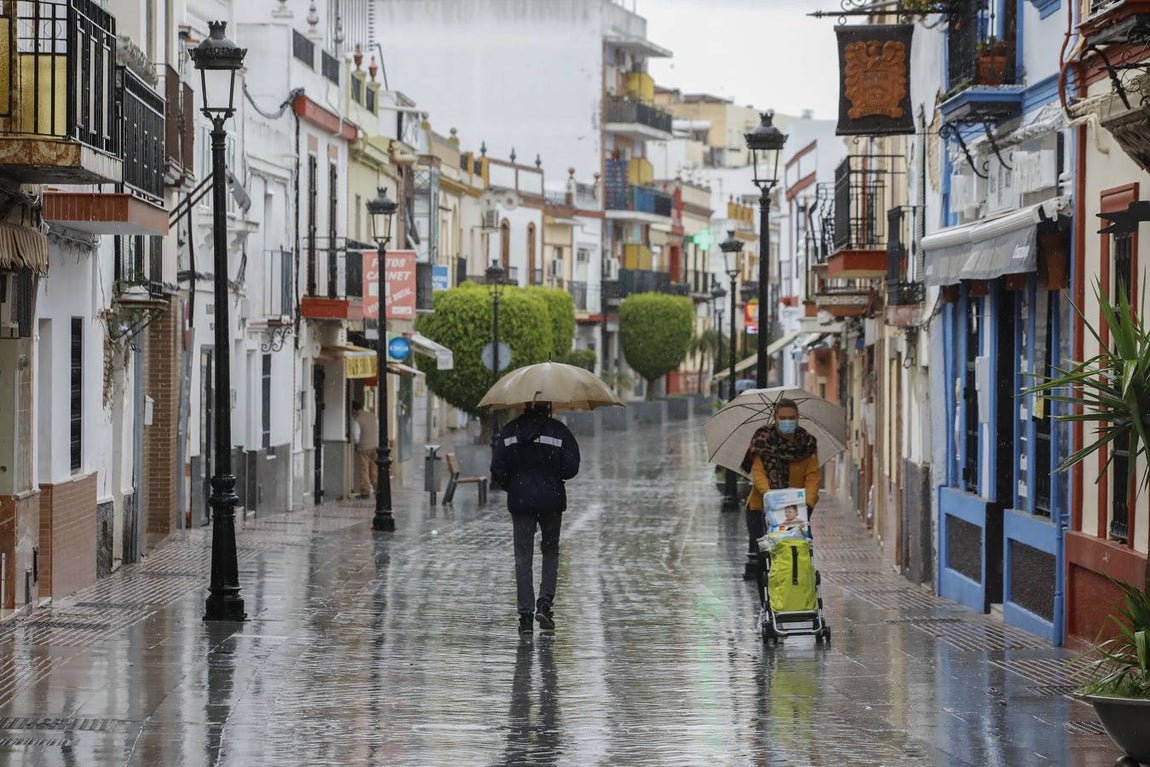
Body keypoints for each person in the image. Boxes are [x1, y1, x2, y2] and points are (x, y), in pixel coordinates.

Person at [491, 401, 581, 635]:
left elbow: (497, 468)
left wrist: (515, 485)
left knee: (523, 557)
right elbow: (572, 467)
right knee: (550, 550)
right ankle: (545, 604)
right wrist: (551, 475)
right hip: (551, 500)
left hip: (520, 501)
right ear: (547, 407)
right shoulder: (559, 431)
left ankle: (524, 616)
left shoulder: (510, 431)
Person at [742, 398, 820, 599]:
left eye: (791, 418)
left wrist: (808, 504)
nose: (787, 421)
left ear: (798, 418)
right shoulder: (763, 441)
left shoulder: (807, 445)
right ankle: (766, 603)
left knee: (797, 553)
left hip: (795, 511)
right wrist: (770, 495)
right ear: (775, 418)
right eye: (783, 418)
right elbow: (758, 473)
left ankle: (792, 598)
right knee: (764, 558)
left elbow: (812, 477)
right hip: (761, 509)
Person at [351, 400, 378, 499]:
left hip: (363, 448)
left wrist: (356, 446)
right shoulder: (372, 416)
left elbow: (356, 438)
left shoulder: (358, 420)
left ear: (354, 410)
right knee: (374, 470)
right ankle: (377, 489)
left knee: (364, 470)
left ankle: (365, 492)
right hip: (375, 446)